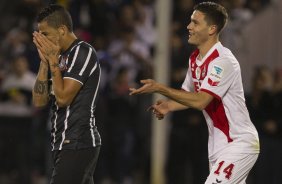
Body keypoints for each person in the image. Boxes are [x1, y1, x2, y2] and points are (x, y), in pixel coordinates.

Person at [129, 2, 260, 184]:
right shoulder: (195, 59)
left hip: (239, 142)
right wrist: (169, 105)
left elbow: (201, 101)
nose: (189, 26)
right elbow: (188, 95)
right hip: (217, 145)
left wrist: (160, 88)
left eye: (195, 23)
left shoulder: (223, 61)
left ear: (212, 29)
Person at [32, 4, 101, 184]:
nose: (41, 39)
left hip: (78, 142)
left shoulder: (83, 52)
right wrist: (44, 63)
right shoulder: (58, 57)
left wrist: (53, 62)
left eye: (45, 34)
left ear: (62, 30)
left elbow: (63, 99)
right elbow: (39, 102)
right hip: (61, 142)